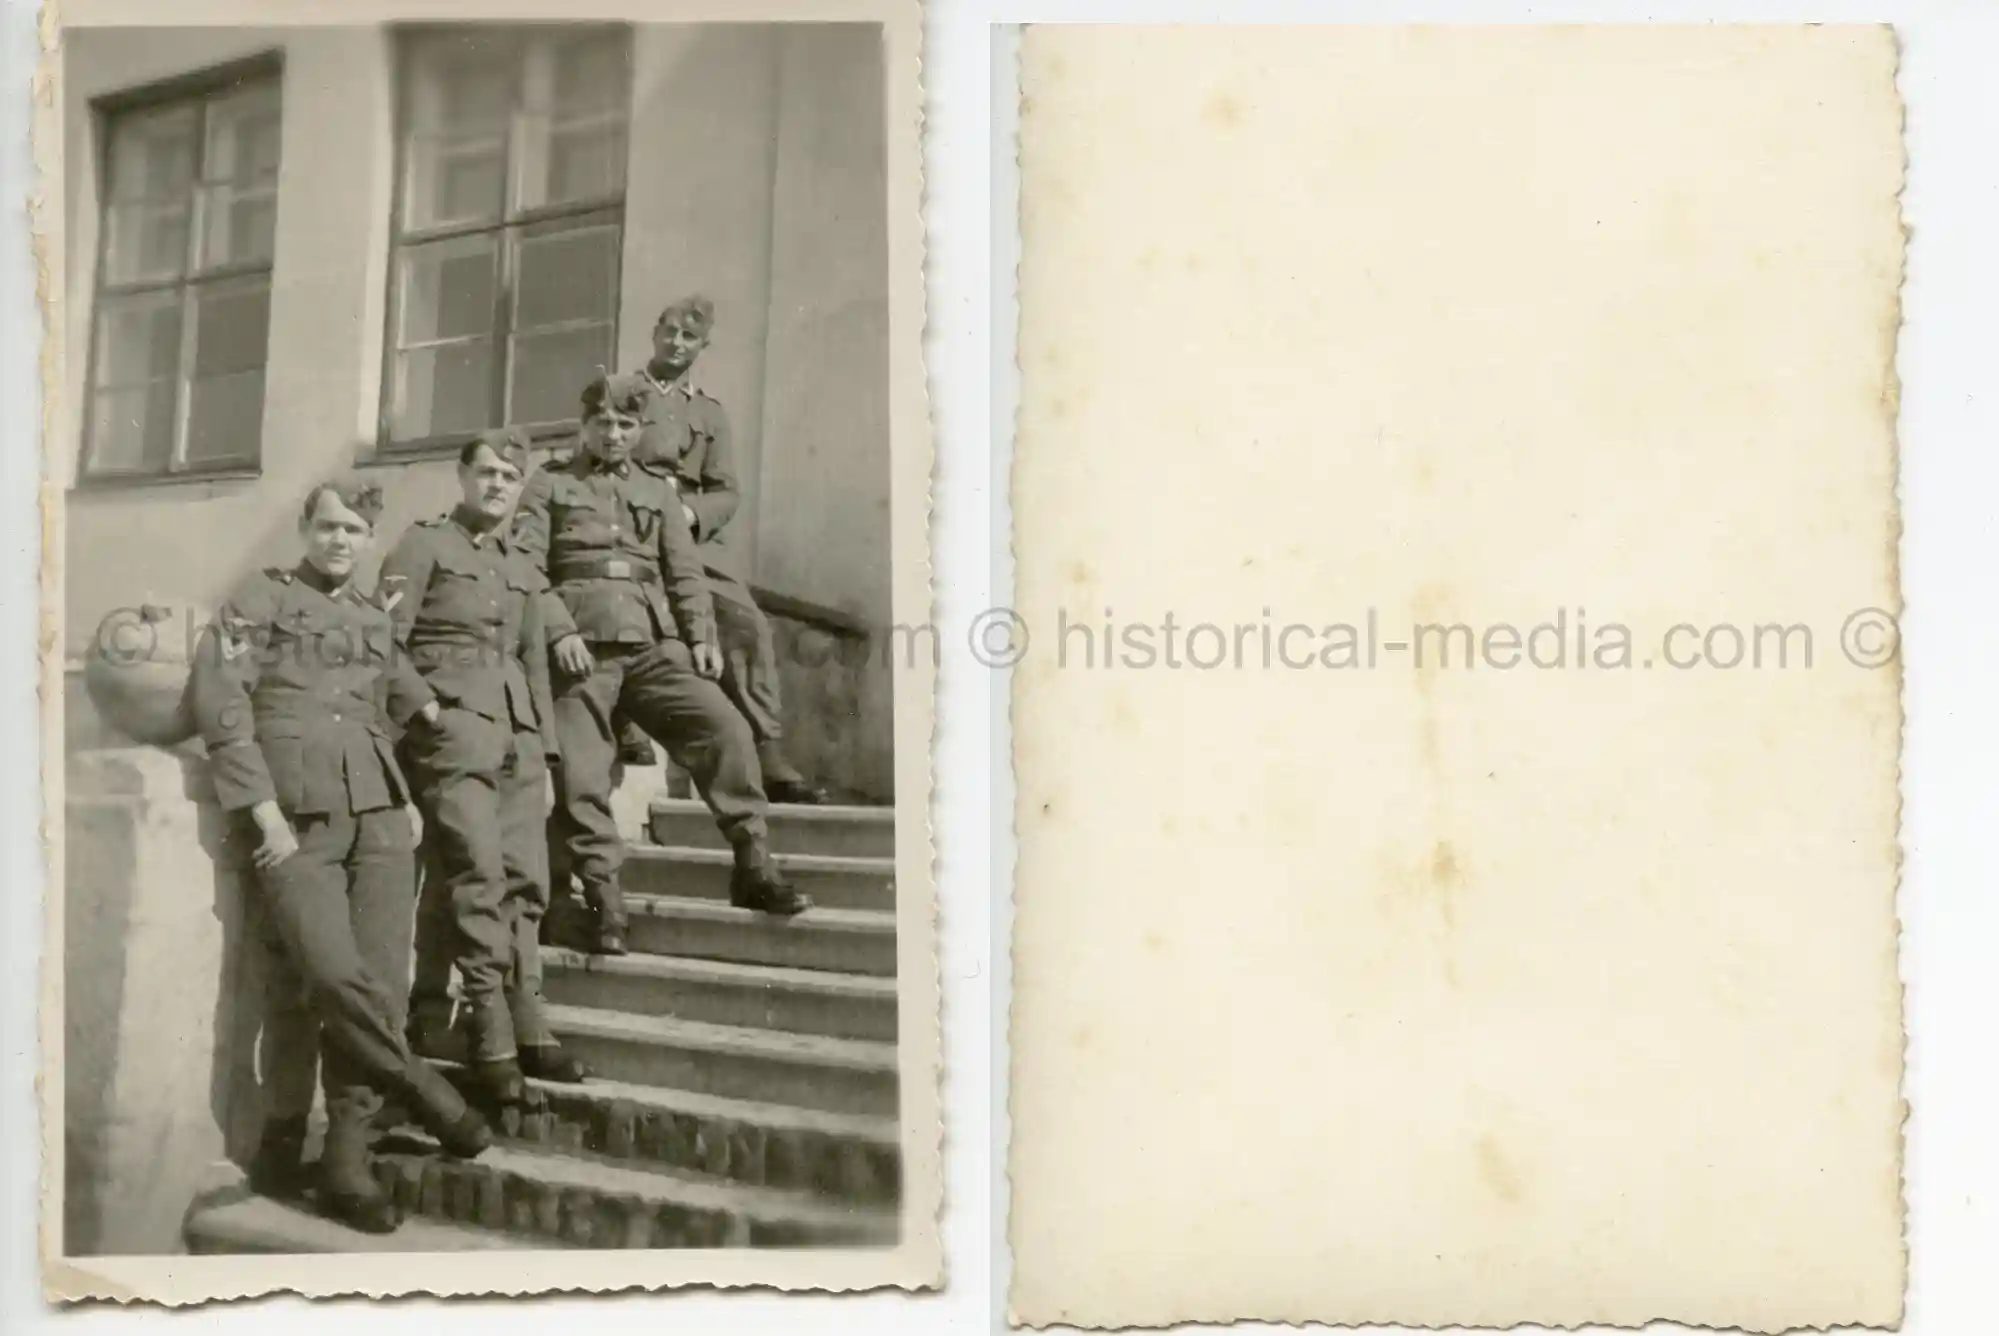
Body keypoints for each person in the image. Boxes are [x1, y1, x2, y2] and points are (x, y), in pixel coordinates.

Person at [192, 478, 491, 1236]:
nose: (340, 541)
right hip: (292, 819)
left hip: (382, 821)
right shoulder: (258, 600)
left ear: (366, 539)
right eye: (328, 526)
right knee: (329, 974)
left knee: (382, 985)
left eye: (355, 530)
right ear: (304, 526)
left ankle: (347, 1164)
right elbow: (222, 701)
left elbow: (400, 694)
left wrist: (427, 761)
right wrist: (259, 810)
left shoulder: (370, 615)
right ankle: (424, 1088)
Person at [513, 372, 810, 956]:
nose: (614, 434)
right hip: (580, 654)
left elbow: (683, 571)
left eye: (626, 424)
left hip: (654, 647)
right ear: (584, 426)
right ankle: (603, 901)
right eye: (603, 423)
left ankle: (752, 865)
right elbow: (525, 567)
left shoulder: (658, 491)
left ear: (638, 429)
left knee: (725, 728)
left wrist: (699, 635)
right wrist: (558, 629)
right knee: (581, 776)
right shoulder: (548, 485)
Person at [379, 430, 590, 1108]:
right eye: (487, 472)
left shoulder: (523, 565)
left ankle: (528, 1019)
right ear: (463, 476)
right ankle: (489, 1034)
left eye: (509, 475)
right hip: (454, 734)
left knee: (527, 879)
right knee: (477, 874)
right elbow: (384, 642)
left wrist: (548, 754)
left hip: (519, 740)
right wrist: (427, 711)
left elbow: (533, 662)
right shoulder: (424, 545)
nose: (497, 485)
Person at [609, 295, 830, 806]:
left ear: (702, 346)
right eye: (669, 332)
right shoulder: (621, 394)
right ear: (654, 333)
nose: (677, 343)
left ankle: (767, 751)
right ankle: (627, 724)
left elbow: (726, 489)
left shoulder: (709, 413)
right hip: (629, 525)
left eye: (689, 338)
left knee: (746, 620)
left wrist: (691, 515)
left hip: (689, 534)